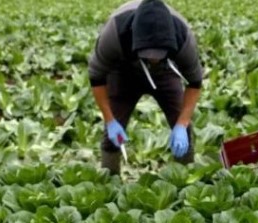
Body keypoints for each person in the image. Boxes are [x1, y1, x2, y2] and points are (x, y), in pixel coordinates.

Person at [87, 0, 204, 175]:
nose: (153, 59)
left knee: (184, 130)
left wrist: (182, 123)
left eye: (158, 54)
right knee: (112, 135)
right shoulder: (116, 32)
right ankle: (108, 183)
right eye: (148, 54)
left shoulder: (182, 37)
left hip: (166, 71)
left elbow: (195, 83)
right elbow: (96, 78)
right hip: (123, 71)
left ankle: (185, 179)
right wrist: (110, 121)